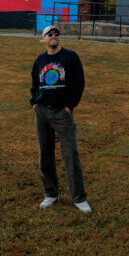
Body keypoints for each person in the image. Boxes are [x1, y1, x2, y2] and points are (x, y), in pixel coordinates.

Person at [30, 25, 91, 213]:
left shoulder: (70, 57)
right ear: (43, 39)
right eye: (50, 34)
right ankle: (51, 194)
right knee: (45, 153)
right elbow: (34, 82)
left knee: (70, 154)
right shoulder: (40, 60)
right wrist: (34, 102)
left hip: (61, 113)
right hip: (42, 112)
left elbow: (79, 83)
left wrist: (69, 107)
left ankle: (79, 198)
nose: (54, 36)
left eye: (57, 33)